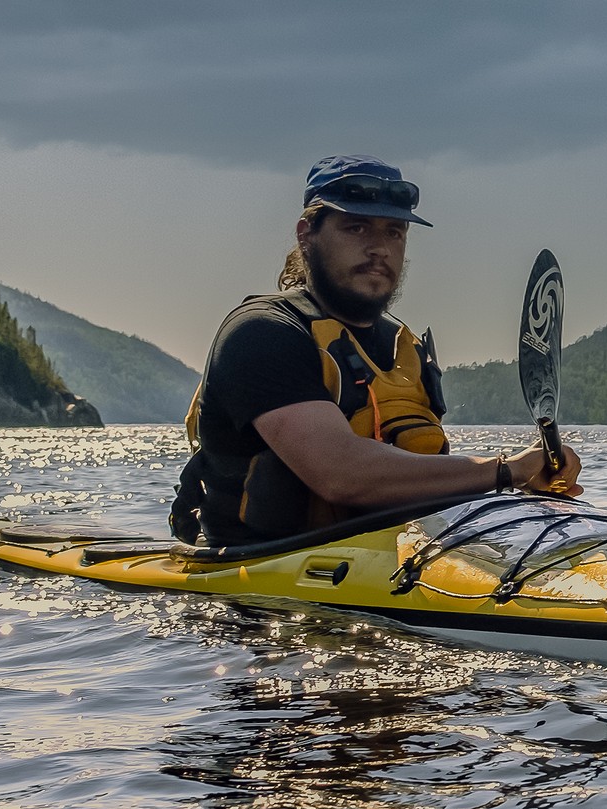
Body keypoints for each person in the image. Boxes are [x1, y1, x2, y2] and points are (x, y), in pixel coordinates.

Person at [171, 155, 580, 548]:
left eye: (394, 232)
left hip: (399, 559)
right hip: (258, 591)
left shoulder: (408, 348)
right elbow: (341, 474)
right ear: (306, 234)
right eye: (357, 228)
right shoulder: (263, 333)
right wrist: (507, 471)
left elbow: (423, 477)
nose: (380, 247)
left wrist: (535, 479)